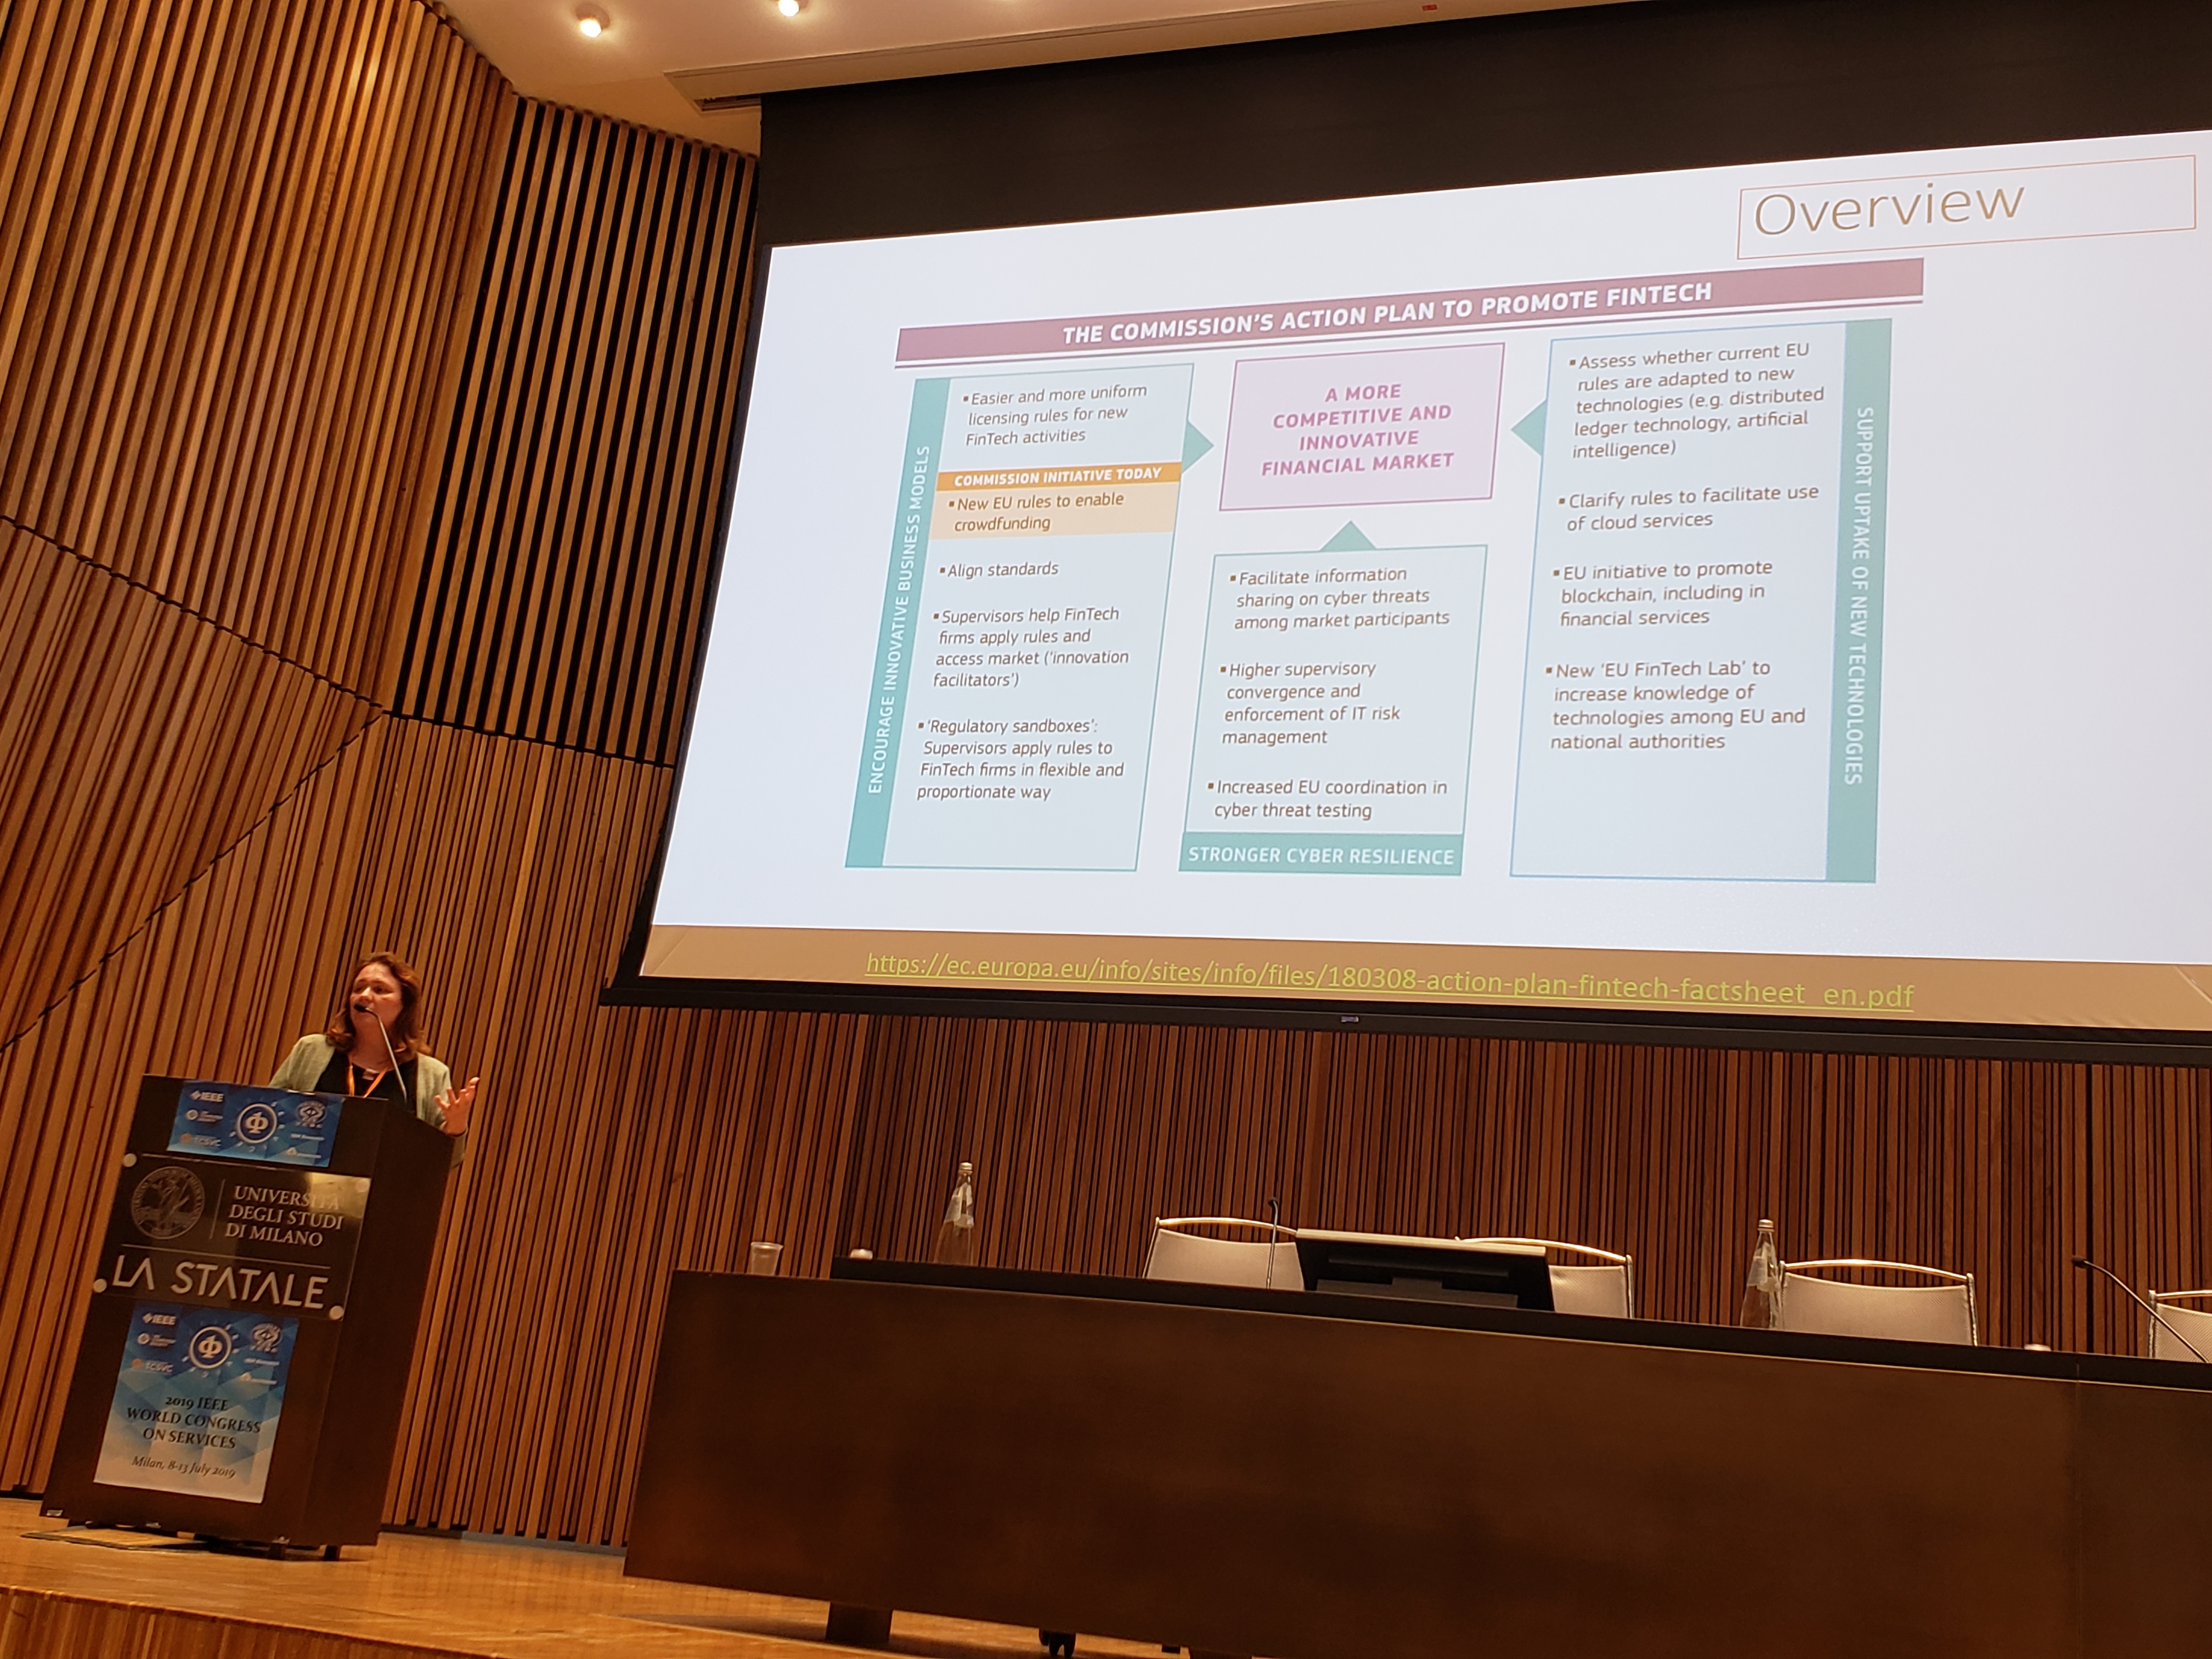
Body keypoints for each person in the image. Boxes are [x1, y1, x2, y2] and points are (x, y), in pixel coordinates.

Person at [270, 952, 478, 1136]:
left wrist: (455, 1127)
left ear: (404, 1005)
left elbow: (445, 1159)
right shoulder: (311, 1051)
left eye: (380, 989)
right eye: (359, 988)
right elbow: (268, 1111)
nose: (364, 995)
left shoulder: (432, 1074)